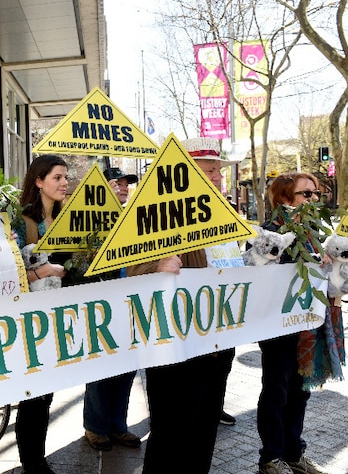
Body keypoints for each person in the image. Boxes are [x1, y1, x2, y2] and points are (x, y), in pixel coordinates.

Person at [126, 137, 239, 473]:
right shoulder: (156, 216)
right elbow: (133, 272)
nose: (218, 177)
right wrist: (156, 268)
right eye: (210, 170)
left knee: (204, 431)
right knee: (171, 434)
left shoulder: (226, 214)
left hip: (218, 342)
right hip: (176, 348)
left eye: (219, 170)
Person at [255, 172, 328, 474]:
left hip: (307, 328)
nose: (312, 200)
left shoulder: (314, 233)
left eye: (315, 195)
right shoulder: (269, 233)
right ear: (285, 199)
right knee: (277, 392)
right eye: (305, 195)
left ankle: (293, 452)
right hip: (278, 328)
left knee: (300, 391)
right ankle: (271, 458)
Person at [12, 154, 69, 474]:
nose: (64, 183)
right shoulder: (21, 222)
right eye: (57, 177)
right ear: (38, 181)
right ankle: (32, 461)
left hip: (58, 316)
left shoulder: (70, 218)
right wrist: (41, 272)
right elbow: (10, 272)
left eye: (65, 178)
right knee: (32, 394)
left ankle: (37, 456)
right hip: (27, 319)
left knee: (47, 392)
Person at [80, 166, 141, 451]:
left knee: (127, 367)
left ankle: (118, 425)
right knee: (100, 365)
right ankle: (95, 427)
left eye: (126, 183)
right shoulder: (87, 218)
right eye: (115, 183)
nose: (123, 187)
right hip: (99, 302)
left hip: (131, 301)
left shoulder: (135, 217)